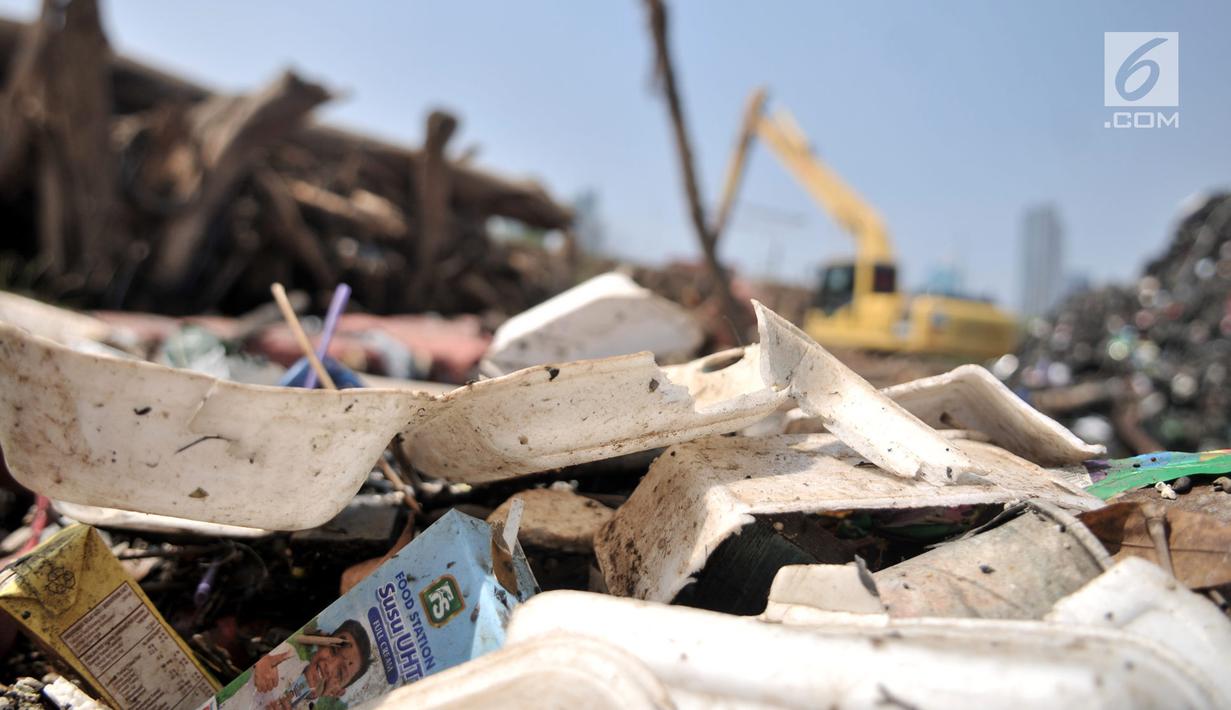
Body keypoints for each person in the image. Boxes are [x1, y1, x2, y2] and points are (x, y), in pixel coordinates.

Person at [218, 619, 372, 710]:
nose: (329, 667)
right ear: (321, 644)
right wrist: (262, 659)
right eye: (332, 650)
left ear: (337, 692)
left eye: (340, 673)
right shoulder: (286, 654)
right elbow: (248, 645)